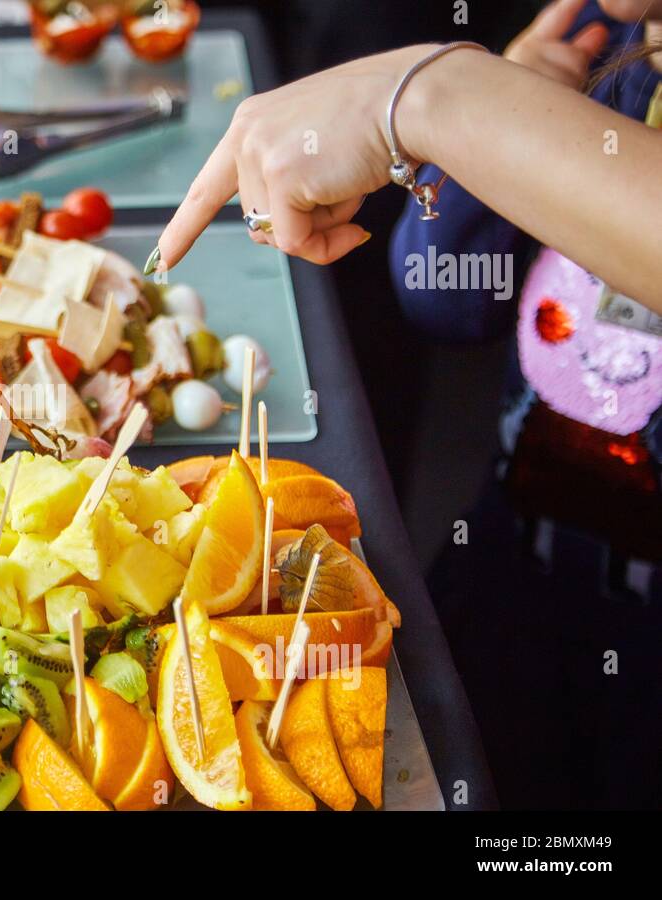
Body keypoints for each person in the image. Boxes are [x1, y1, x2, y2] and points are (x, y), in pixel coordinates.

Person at [154, 0, 662, 809]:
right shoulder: (610, 49)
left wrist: (444, 99)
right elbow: (444, 304)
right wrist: (504, 141)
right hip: (514, 563)